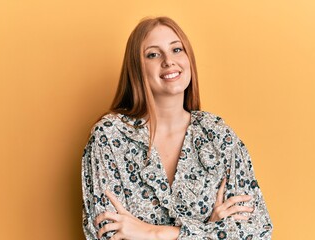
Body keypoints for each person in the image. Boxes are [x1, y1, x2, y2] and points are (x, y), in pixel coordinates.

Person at [81, 16, 273, 240]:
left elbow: (257, 232)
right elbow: (103, 234)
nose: (168, 61)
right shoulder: (109, 137)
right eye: (153, 54)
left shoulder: (218, 135)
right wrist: (212, 230)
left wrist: (155, 233)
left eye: (177, 49)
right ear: (136, 68)